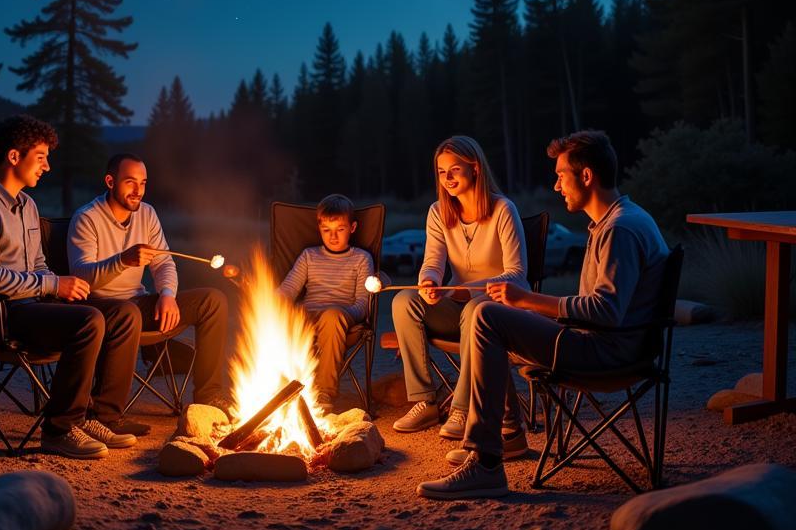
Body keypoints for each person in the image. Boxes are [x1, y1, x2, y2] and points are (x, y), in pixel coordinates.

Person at [417, 129, 671, 500]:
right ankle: (508, 436)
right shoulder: (619, 221)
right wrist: (525, 305)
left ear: (586, 177)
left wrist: (530, 301)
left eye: (561, 176)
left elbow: (606, 311)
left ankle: (486, 462)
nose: (556, 186)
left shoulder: (621, 230)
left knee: (486, 317)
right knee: (487, 314)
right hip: (604, 340)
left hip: (605, 351)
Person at [0, 116, 141, 460]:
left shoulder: (27, 205)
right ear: (14, 157)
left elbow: (38, 265)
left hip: (32, 305)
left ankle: (100, 418)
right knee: (88, 322)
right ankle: (59, 429)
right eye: (40, 157)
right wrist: (53, 284)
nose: (48, 166)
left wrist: (58, 288)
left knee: (123, 313)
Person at [391, 136, 529, 457]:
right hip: (457, 305)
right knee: (404, 301)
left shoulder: (502, 210)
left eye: (455, 170)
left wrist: (462, 290)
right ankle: (425, 400)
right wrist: (429, 280)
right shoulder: (439, 212)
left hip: (497, 311)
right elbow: (433, 261)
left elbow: (517, 275)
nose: (448, 178)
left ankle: (462, 407)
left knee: (475, 310)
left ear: (475, 169)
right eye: (441, 172)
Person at [67, 152, 229, 420]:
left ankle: (209, 398)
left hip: (138, 304)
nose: (138, 190)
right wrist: (122, 260)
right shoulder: (86, 218)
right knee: (127, 312)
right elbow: (82, 277)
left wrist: (167, 295)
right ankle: (107, 415)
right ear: (110, 181)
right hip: (99, 307)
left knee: (213, 301)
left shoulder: (147, 214)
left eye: (143, 183)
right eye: (130, 182)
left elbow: (164, 263)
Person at [276, 193, 374, 413]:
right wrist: (266, 299)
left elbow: (362, 303)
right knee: (283, 315)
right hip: (308, 316)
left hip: (343, 317)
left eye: (340, 229)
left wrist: (342, 312)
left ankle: (324, 393)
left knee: (332, 316)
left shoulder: (361, 259)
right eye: (326, 230)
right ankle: (279, 389)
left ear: (352, 228)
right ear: (319, 228)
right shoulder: (309, 256)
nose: (333, 236)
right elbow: (288, 290)